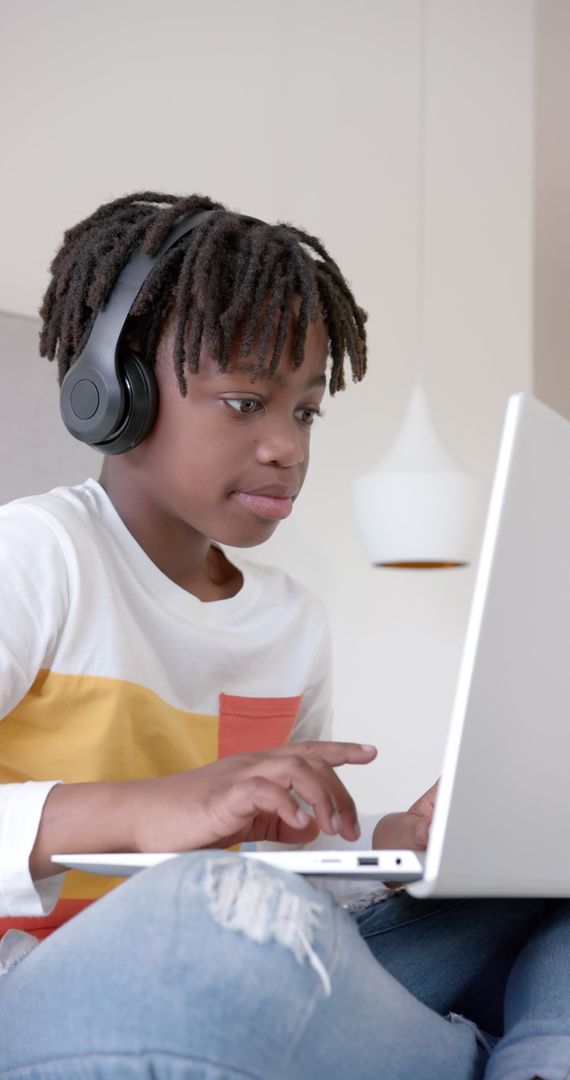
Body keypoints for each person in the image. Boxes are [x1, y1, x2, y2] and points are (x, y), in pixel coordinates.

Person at [0, 192, 568, 1080]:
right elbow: (221, 884)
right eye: (243, 402)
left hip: (239, 943)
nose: (286, 448)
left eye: (303, 412)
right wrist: (149, 810)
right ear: (113, 391)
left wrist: (396, 842)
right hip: (43, 977)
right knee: (208, 916)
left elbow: (276, 867)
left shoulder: (289, 619)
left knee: (540, 881)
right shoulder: (36, 556)